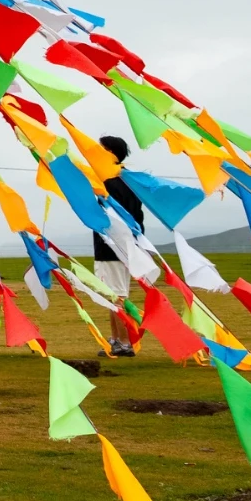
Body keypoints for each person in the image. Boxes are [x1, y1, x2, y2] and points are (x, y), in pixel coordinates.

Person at [92, 135, 144, 357]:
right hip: (116, 245)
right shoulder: (122, 180)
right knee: (111, 295)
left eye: (101, 149)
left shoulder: (112, 182)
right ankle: (116, 339)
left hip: (113, 245)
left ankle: (124, 342)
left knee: (117, 296)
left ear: (111, 153)